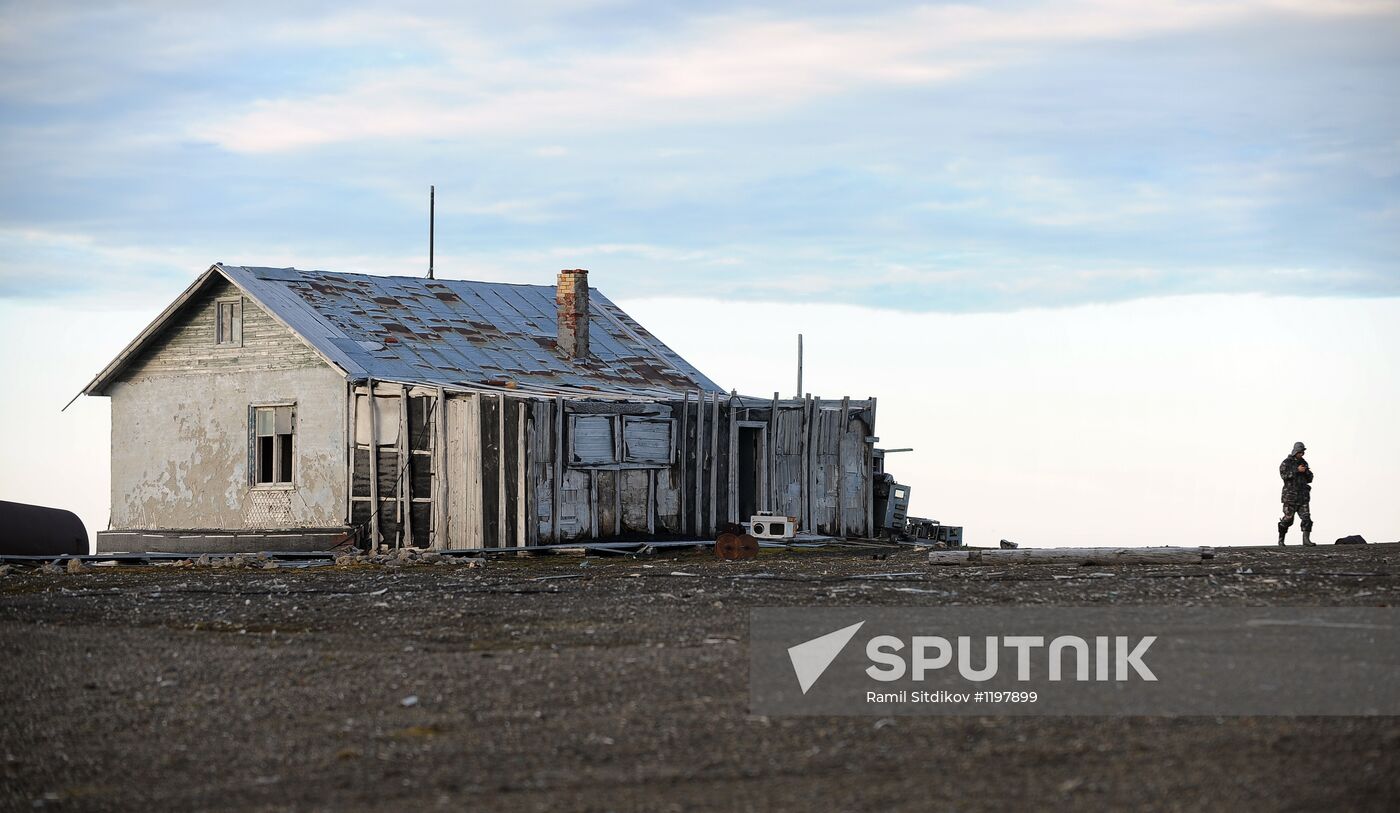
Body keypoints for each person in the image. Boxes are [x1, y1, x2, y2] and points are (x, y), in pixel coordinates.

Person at [1278, 441, 1314, 546]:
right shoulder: (1287, 462)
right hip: (1290, 497)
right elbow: (1284, 475)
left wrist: (1306, 472)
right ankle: (1281, 539)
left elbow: (1310, 479)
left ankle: (1306, 540)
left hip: (1303, 496)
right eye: (1300, 452)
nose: (1302, 454)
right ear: (1295, 452)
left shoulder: (1304, 463)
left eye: (1303, 452)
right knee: (1288, 520)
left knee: (1306, 518)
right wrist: (1296, 470)